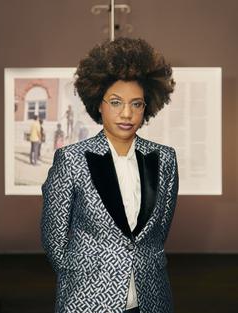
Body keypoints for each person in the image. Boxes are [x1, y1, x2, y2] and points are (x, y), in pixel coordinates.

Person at [41, 37, 179, 313]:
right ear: (99, 104)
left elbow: (158, 232)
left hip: (151, 297)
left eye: (136, 104)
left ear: (147, 105)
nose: (126, 113)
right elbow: (53, 236)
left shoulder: (164, 159)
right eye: (116, 102)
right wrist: (82, 274)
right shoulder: (71, 159)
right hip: (87, 298)